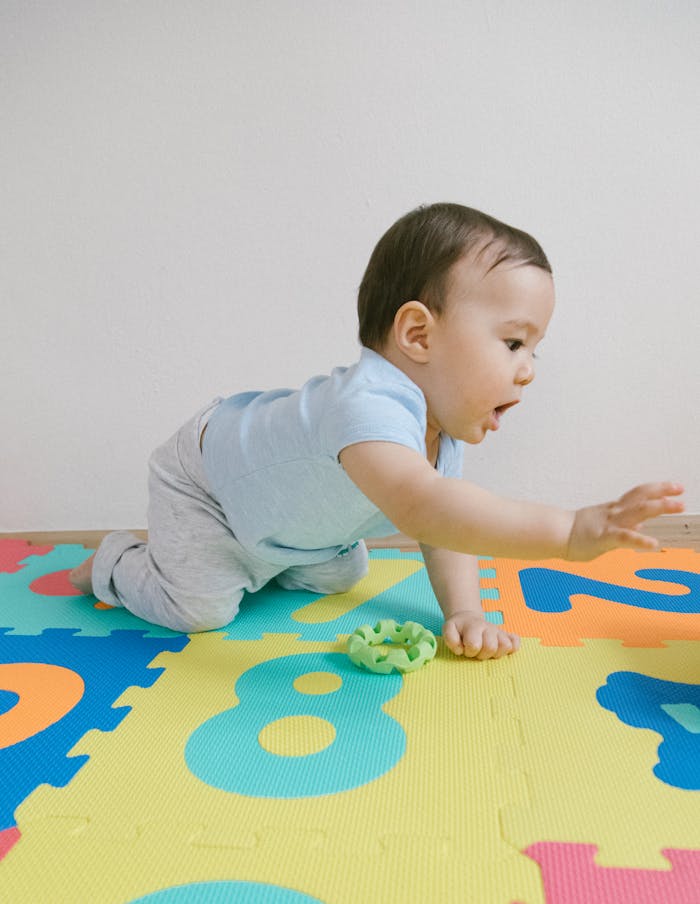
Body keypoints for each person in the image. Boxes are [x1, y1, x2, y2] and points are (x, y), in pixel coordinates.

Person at [70, 203, 684, 658]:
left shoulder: (438, 427)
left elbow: (445, 528)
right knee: (200, 610)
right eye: (514, 341)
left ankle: (266, 562)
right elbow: (428, 509)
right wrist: (569, 531)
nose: (526, 371)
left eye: (535, 351)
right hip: (208, 491)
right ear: (418, 335)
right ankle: (118, 564)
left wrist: (465, 609)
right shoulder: (366, 404)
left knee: (347, 573)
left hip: (283, 524)